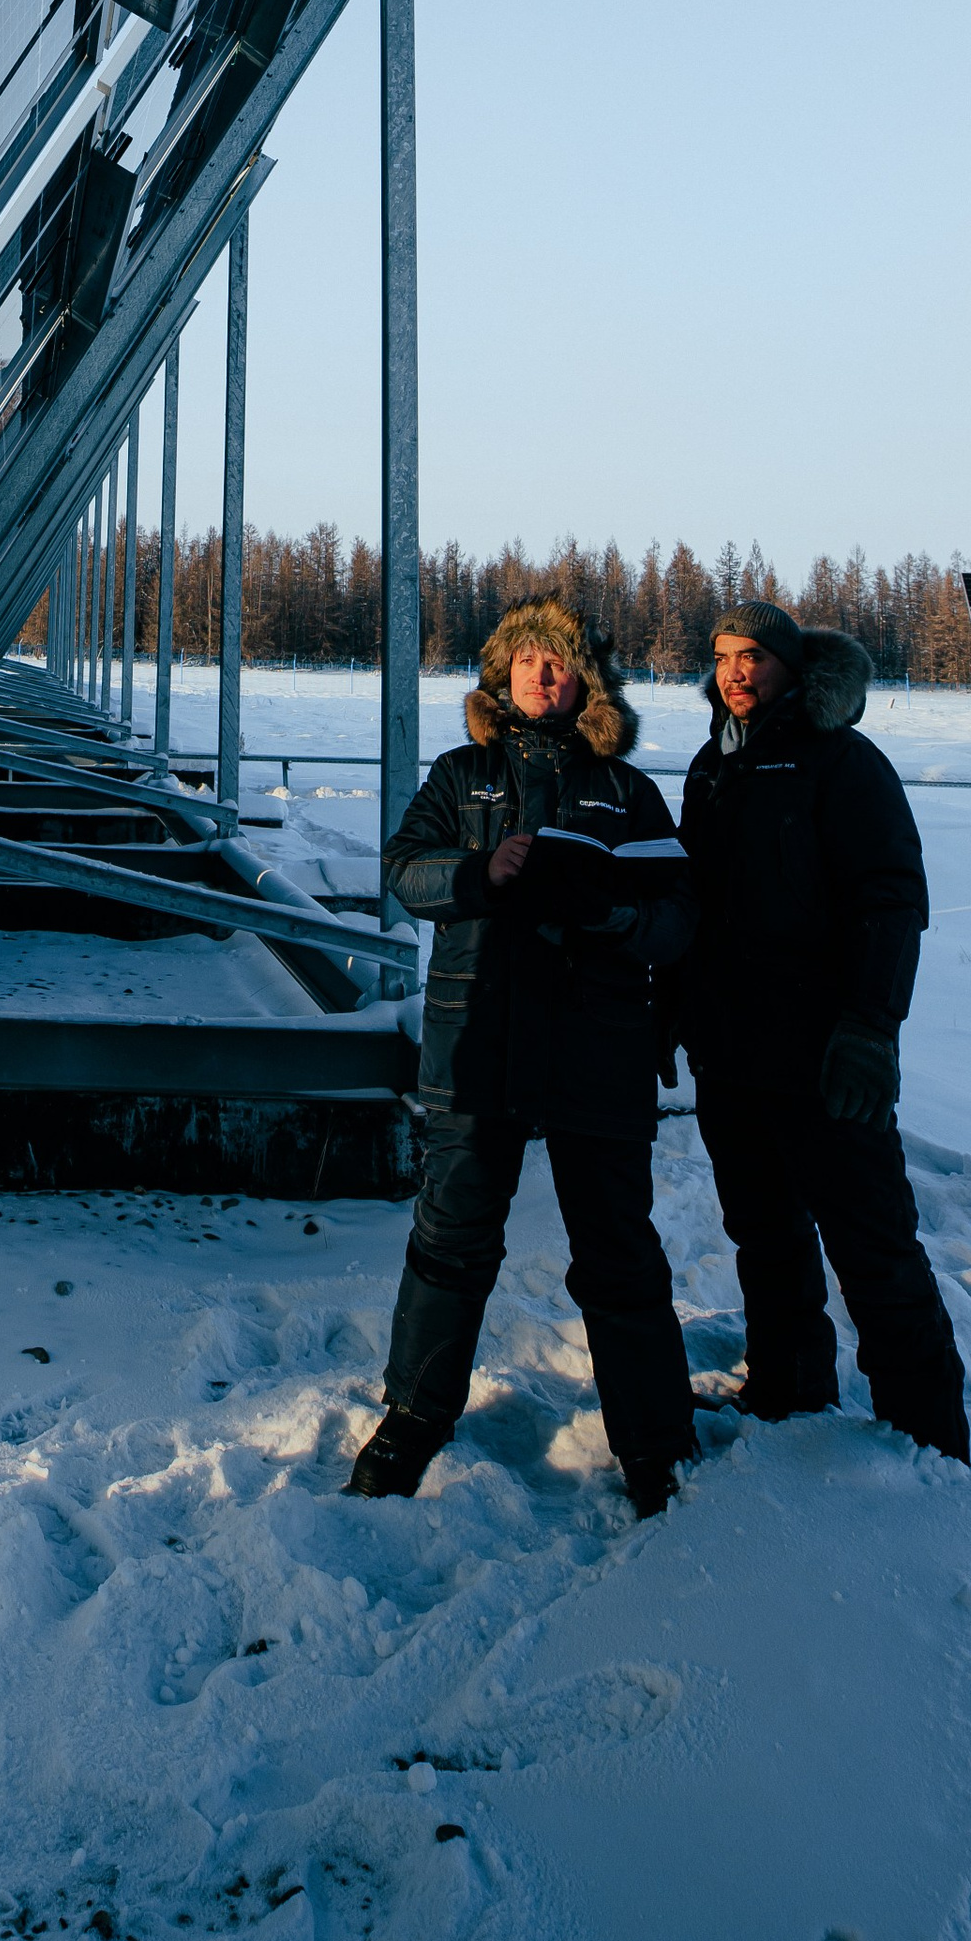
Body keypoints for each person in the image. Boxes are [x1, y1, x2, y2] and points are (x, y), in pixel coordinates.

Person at [348, 599, 699, 1516]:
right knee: (451, 1237)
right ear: (501, 677)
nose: (543, 679)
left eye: (559, 665)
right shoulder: (463, 775)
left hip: (597, 1045)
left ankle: (656, 1443)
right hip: (480, 1040)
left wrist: (616, 919)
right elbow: (403, 871)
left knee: (617, 1248)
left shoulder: (624, 793)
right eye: (527, 664)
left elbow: (678, 916)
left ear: (587, 683)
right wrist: (479, 874)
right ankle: (412, 1415)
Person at [669, 602, 969, 1461]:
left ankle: (928, 1436)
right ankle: (788, 1391)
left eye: (754, 656)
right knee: (764, 1239)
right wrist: (674, 1012)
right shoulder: (711, 767)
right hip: (730, 1055)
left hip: (825, 1058)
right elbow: (697, 907)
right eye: (723, 654)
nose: (735, 671)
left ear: (794, 668)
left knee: (874, 1249)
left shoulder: (843, 763)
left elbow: (891, 902)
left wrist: (871, 1028)